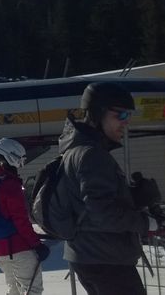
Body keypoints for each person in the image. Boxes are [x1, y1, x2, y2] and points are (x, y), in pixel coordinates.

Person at [56, 82, 157, 295]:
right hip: (105, 257)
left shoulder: (75, 150)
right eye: (120, 115)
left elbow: (91, 203)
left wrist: (132, 197)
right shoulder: (92, 155)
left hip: (90, 255)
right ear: (98, 113)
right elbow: (102, 213)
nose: (126, 122)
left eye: (128, 116)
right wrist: (147, 223)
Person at [0, 138, 50, 295]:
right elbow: (21, 221)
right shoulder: (10, 186)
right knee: (32, 290)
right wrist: (37, 245)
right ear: (11, 157)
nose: (21, 163)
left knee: (13, 289)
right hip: (18, 248)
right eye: (20, 159)